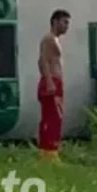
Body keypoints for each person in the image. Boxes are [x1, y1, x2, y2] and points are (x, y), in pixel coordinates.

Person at [37, 9, 70, 162]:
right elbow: (42, 60)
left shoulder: (54, 40)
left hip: (56, 81)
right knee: (52, 118)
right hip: (52, 82)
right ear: (55, 21)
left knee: (56, 118)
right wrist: (49, 81)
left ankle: (50, 151)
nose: (67, 26)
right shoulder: (48, 39)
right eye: (65, 22)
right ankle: (49, 153)